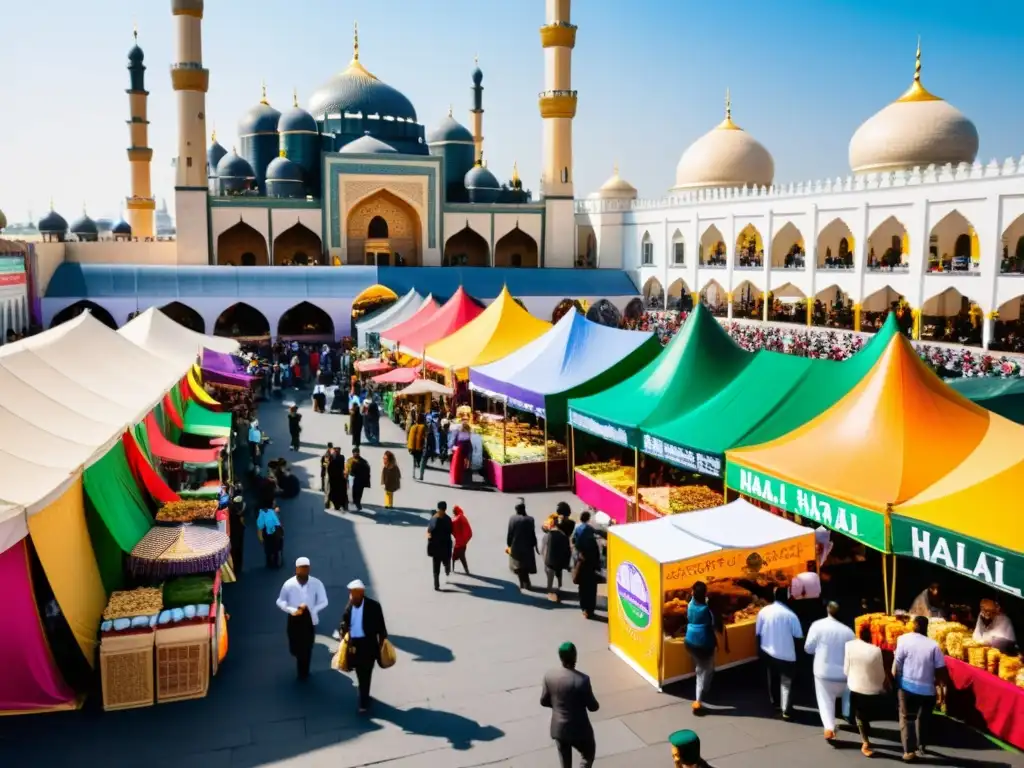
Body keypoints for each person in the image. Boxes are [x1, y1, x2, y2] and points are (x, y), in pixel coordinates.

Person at [892, 615, 947, 761]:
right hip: (927, 691)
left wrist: (897, 684)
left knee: (906, 718)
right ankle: (921, 744)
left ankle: (909, 751)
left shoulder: (903, 639)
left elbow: (897, 664)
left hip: (907, 686)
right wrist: (942, 692)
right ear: (926, 627)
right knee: (923, 718)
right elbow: (941, 671)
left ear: (914, 625)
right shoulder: (934, 645)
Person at [540, 642, 599, 768]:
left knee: (565, 761)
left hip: (559, 729)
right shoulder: (582, 680)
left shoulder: (549, 676)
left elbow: (544, 701)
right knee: (588, 754)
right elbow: (593, 707)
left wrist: (558, 705)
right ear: (575, 657)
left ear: (560, 657)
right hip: (580, 729)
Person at [804, 601, 854, 741]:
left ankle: (829, 728)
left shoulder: (817, 625)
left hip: (823, 672)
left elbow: (808, 648)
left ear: (827, 610)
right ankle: (846, 713)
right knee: (847, 694)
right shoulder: (848, 631)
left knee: (825, 700)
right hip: (844, 673)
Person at [338, 579, 388, 714]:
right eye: (351, 594)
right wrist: (342, 633)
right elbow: (343, 624)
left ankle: (363, 700)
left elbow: (381, 628)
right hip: (355, 647)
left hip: (369, 646)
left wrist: (383, 643)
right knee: (362, 674)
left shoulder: (374, 607)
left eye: (355, 594)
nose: (352, 597)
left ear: (361, 593)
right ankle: (364, 700)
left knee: (365, 673)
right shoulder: (349, 607)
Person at [275, 557, 329, 680]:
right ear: (297, 569)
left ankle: (304, 671)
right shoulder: (289, 584)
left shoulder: (316, 583)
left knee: (307, 645)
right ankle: (300, 660)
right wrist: (291, 610)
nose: (304, 571)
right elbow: (280, 600)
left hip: (310, 620)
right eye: (302, 568)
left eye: (306, 568)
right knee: (296, 646)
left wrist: (314, 609)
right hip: (295, 619)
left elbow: (324, 601)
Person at [755, 586, 804, 719]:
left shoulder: (763, 611)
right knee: (786, 683)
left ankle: (776, 703)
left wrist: (759, 651)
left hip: (768, 652)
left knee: (773, 679)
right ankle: (786, 710)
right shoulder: (791, 615)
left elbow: (758, 634)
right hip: (787, 655)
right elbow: (798, 637)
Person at [845, 622, 888, 758]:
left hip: (854, 685)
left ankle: (865, 740)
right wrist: (881, 687)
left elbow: (846, 668)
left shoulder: (849, 646)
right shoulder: (875, 650)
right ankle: (865, 741)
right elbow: (880, 674)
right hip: (871, 689)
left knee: (859, 714)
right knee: (864, 713)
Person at [683, 581, 727, 714]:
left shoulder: (690, 605)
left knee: (704, 667)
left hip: (689, 641)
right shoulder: (707, 609)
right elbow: (715, 626)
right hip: (704, 644)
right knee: (703, 672)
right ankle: (699, 701)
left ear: (692, 593)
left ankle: (704, 688)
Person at [506, 498, 538, 590]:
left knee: (518, 566)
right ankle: (526, 584)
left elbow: (510, 533)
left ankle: (523, 584)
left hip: (516, 546)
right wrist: (534, 544)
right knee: (525, 566)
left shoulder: (513, 519)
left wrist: (509, 544)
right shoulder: (530, 519)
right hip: (528, 547)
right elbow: (532, 533)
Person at [541, 510, 572, 603]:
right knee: (559, 574)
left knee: (549, 575)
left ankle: (549, 589)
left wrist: (544, 558)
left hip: (549, 561)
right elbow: (567, 550)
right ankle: (559, 587)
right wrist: (566, 562)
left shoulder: (547, 535)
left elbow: (543, 549)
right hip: (559, 561)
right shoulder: (563, 535)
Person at [789, 561, 823, 632]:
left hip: (802, 605)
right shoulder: (815, 575)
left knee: (805, 625)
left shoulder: (796, 577)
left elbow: (794, 595)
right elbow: (819, 591)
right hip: (814, 603)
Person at [426, 501, 453, 590]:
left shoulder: (434, 519)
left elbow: (429, 531)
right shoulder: (448, 519)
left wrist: (429, 540)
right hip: (445, 545)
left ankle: (436, 585)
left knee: (436, 567)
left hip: (436, 546)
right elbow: (451, 530)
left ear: (438, 508)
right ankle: (447, 568)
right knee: (445, 560)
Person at [227, 494, 246, 576]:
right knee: (238, 551)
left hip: (232, 534)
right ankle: (237, 569)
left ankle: (233, 570)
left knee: (233, 552)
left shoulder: (231, 512)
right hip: (238, 533)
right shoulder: (239, 514)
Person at [449, 421, 474, 486]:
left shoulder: (458, 432)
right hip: (465, 449)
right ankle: (460, 478)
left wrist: (451, 448)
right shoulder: (468, 433)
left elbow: (453, 441)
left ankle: (456, 479)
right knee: (462, 465)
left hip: (459, 449)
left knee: (456, 465)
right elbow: (469, 442)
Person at [451, 505, 472, 574]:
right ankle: (454, 569)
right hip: (463, 541)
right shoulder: (462, 516)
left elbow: (453, 526)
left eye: (454, 511)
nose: (453, 513)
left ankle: (453, 570)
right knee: (458, 556)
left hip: (460, 542)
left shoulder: (458, 518)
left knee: (460, 557)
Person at [407, 413, 427, 481]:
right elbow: (425, 437)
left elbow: (410, 438)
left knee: (414, 460)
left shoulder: (413, 427)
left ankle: (414, 474)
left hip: (413, 447)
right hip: (420, 447)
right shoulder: (423, 427)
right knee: (421, 461)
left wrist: (409, 447)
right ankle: (421, 476)